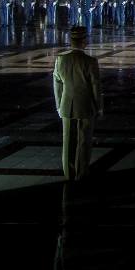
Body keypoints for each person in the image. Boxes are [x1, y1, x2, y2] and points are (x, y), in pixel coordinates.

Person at [52, 26, 103, 181]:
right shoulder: (90, 61)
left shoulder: (61, 59)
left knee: (67, 140)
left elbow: (57, 83)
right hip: (86, 105)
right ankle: (82, 171)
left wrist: (59, 104)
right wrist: (99, 106)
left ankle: (68, 172)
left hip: (67, 105)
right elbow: (95, 86)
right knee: (84, 140)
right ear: (83, 42)